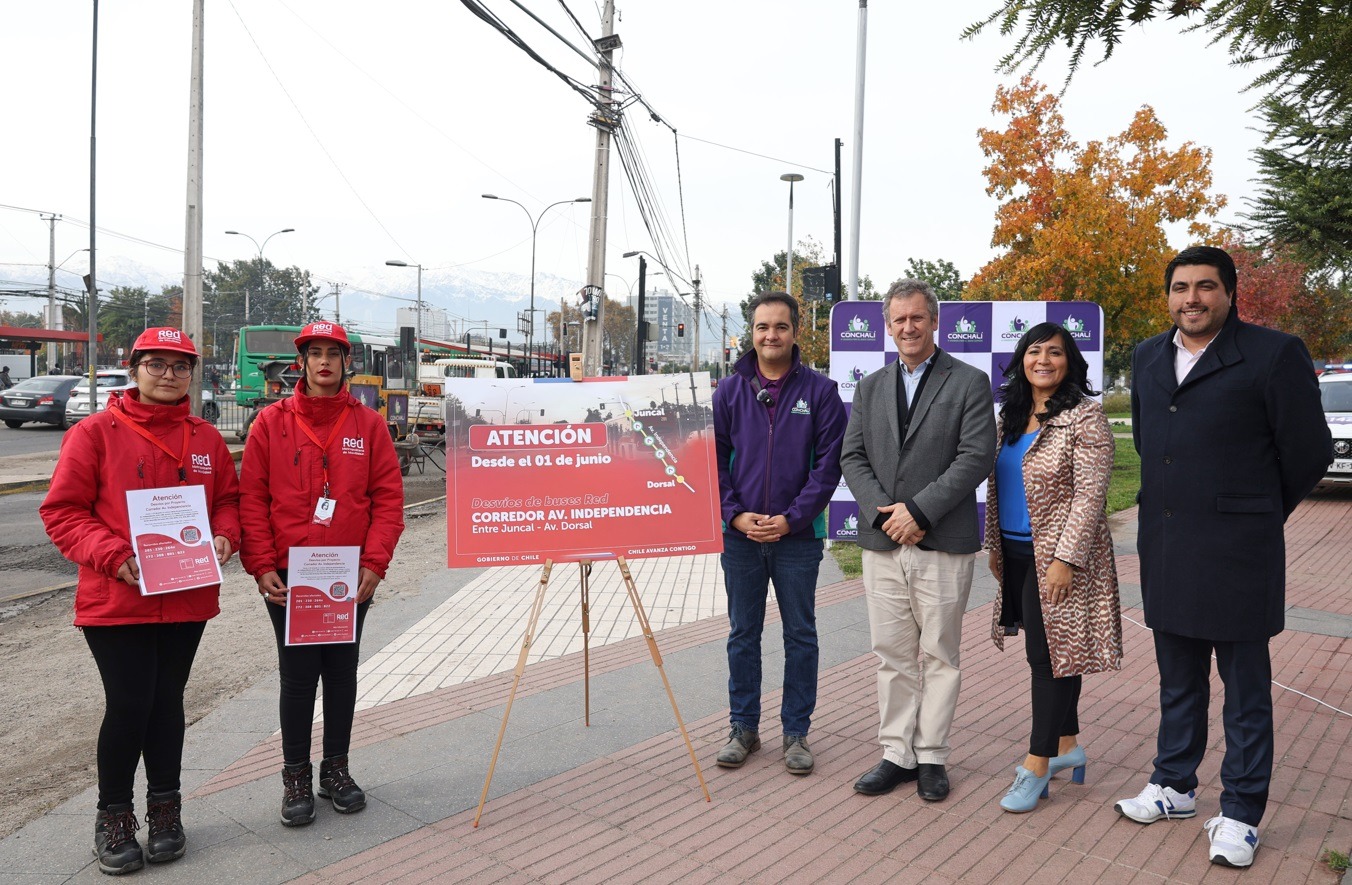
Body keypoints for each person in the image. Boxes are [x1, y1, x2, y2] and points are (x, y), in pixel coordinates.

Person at [1114, 246, 1332, 867]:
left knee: (1245, 692)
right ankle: (1175, 784)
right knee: (1177, 682)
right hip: (1167, 547)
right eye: (1180, 287)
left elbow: (1310, 451)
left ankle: (1239, 811)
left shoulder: (1273, 353)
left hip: (1240, 552)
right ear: (1167, 296)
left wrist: (1256, 508)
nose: (1192, 299)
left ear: (1229, 294)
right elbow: (1152, 444)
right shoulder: (1150, 356)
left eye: (1205, 287)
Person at [40, 327, 240, 875]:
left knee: (168, 702)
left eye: (180, 366)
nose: (169, 374)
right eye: (157, 363)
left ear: (191, 374)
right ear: (134, 368)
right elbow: (62, 512)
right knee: (130, 704)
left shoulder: (205, 438)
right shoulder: (94, 433)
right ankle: (114, 817)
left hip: (185, 595)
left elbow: (227, 500)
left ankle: (166, 810)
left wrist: (225, 534)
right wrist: (113, 556)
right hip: (117, 596)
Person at [239, 321, 405, 827]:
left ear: (346, 361)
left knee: (341, 673)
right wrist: (262, 565)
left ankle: (336, 770)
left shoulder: (369, 426)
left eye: (333, 352)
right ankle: (295, 778)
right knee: (296, 678)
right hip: (290, 575)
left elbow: (387, 501)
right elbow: (252, 500)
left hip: (348, 576)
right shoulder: (270, 423)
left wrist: (374, 564)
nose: (324, 362)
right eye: (314, 353)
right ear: (303, 362)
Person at [841, 279, 996, 801]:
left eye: (917, 318)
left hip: (942, 540)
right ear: (888, 326)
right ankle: (896, 753)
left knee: (939, 654)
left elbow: (975, 456)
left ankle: (931, 755)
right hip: (885, 542)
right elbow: (853, 457)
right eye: (898, 320)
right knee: (892, 654)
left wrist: (920, 510)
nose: (908, 327)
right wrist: (887, 515)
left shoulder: (970, 382)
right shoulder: (870, 387)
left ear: (935, 322)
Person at [983, 322, 1122, 813]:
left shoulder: (1086, 418)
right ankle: (1069, 747)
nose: (1043, 360)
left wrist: (1065, 561)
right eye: (1034, 351)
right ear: (1022, 358)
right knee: (1053, 655)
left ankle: (1036, 764)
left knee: (1047, 661)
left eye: (1056, 352)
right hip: (1018, 554)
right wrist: (995, 547)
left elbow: (1090, 495)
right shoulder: (1011, 417)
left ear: (1071, 362)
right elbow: (999, 489)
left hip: (1060, 560)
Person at [712, 291, 847, 775]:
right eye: (762, 327)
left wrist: (791, 518)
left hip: (798, 537)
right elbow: (712, 465)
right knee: (742, 634)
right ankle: (743, 728)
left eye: (781, 327)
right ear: (752, 333)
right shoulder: (728, 393)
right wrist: (735, 515)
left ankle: (796, 733)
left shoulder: (822, 393)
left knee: (801, 635)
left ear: (795, 332)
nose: (771, 335)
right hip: (741, 537)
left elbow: (829, 468)